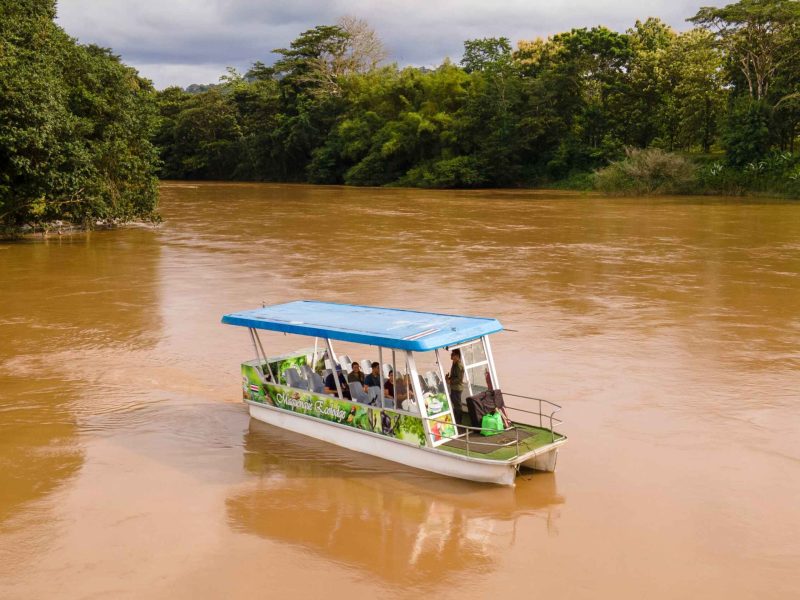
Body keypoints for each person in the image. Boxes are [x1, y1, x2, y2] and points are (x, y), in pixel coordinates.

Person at [445, 349, 464, 426]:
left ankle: (459, 422)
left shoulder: (459, 366)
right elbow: (454, 376)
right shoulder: (454, 363)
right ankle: (456, 420)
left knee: (458, 405)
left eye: (452, 354)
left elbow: (459, 379)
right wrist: (448, 378)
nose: (451, 355)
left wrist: (450, 381)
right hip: (454, 387)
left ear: (457, 356)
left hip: (457, 388)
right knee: (454, 404)